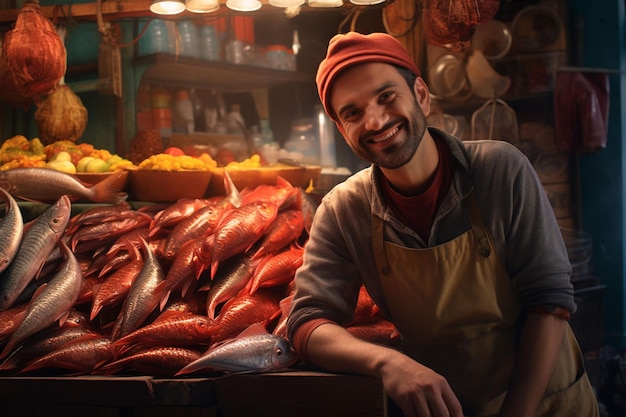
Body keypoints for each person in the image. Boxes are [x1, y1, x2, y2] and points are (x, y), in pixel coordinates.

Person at [286, 31, 599, 417]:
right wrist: (388, 363)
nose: (376, 120)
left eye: (387, 96)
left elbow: (549, 301)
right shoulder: (343, 209)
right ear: (341, 129)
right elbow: (306, 323)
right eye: (352, 112)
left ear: (420, 94)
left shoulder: (500, 170)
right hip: (450, 407)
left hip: (544, 402)